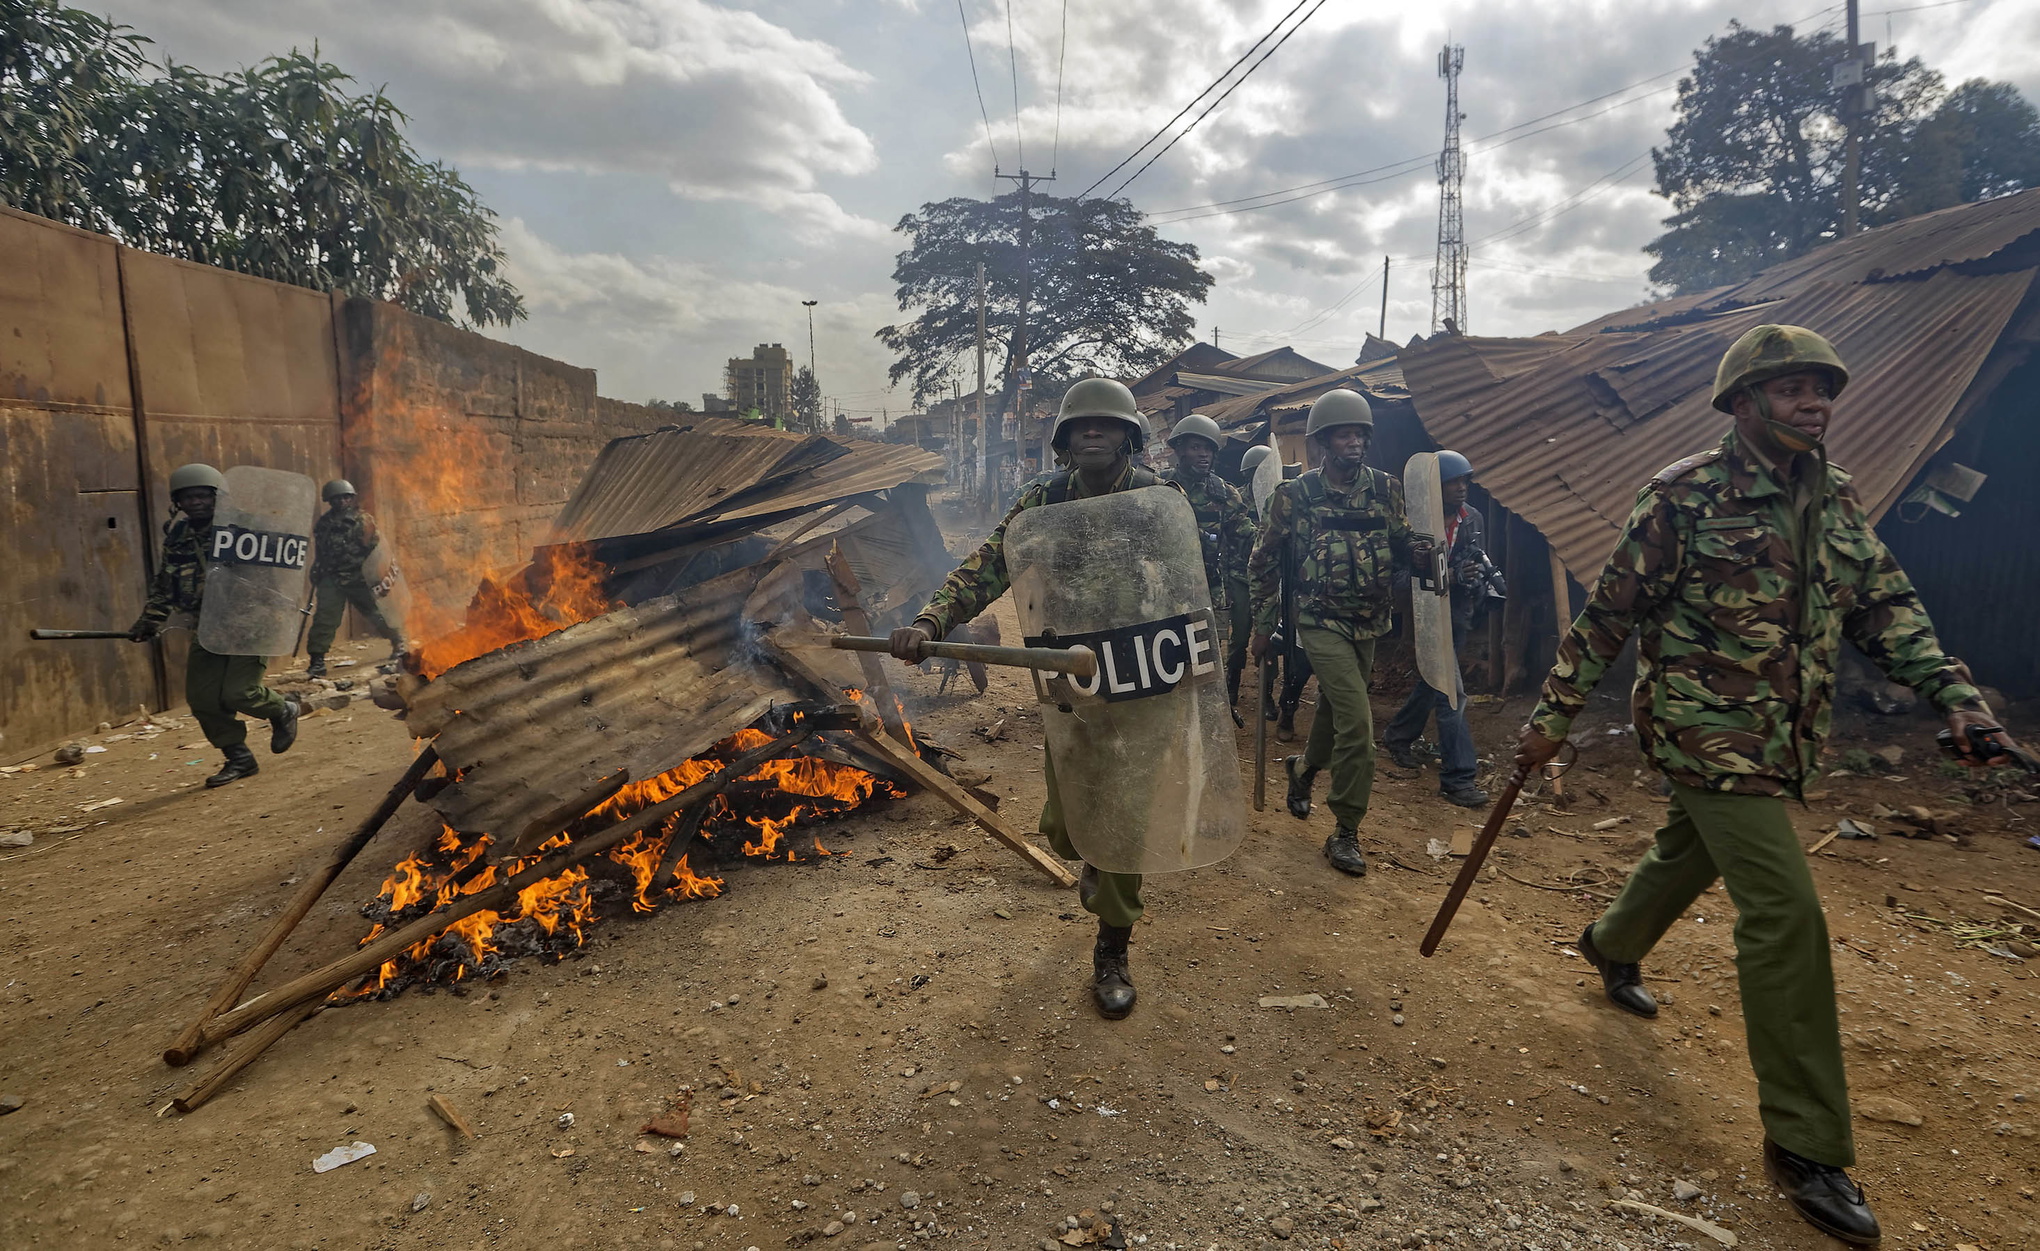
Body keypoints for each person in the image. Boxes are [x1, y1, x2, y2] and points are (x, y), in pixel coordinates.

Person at [1514, 325, 2020, 1246]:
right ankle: (1805, 1140)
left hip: (1784, 736)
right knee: (1786, 912)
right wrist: (1550, 721)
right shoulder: (1682, 495)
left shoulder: (1837, 495)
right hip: (1702, 731)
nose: (1813, 403)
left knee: (1690, 848)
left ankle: (1611, 939)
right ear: (1741, 403)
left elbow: (1883, 603)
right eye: (1790, 389)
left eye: (1821, 388)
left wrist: (1954, 695)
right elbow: (1606, 617)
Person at [889, 378, 1183, 1020]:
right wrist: (932, 621)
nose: (1095, 434)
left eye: (1107, 425)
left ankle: (1112, 948)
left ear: (1129, 434)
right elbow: (987, 566)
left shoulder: (1159, 499)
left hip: (1139, 669)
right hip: (1066, 675)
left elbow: (1191, 583)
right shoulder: (1040, 502)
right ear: (1065, 441)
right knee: (1070, 819)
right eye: (1083, 427)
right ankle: (1091, 859)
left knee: (1123, 815)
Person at [1246, 389, 1430, 877]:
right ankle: (1346, 830)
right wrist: (1263, 627)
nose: (1354, 441)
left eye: (1360, 433)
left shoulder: (1385, 488)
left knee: (1333, 709)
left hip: (1370, 621)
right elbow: (1262, 561)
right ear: (1324, 442)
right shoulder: (1295, 495)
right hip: (1318, 621)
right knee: (1358, 724)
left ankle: (1303, 770)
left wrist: (1422, 553)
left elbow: (1402, 537)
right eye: (1343, 433)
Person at [128, 463, 300, 788]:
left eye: (202, 496)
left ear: (217, 496)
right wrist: (149, 621)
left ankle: (283, 710)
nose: (195, 503)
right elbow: (166, 584)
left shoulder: (245, 526)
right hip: (209, 628)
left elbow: (274, 576)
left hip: (252, 623)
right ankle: (240, 758)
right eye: (187, 498)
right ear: (178, 502)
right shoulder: (178, 535)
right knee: (203, 699)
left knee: (240, 693)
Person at [1383, 450, 1502, 808]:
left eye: (1465, 480)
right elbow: (1396, 579)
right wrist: (1448, 575)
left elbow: (1476, 559)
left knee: (1433, 681)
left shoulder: (1473, 519)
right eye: (1453, 482)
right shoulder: (1411, 526)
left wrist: (1473, 579)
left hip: (1459, 615)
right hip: (1425, 616)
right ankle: (1458, 778)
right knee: (1452, 693)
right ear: (1435, 487)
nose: (1462, 488)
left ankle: (1399, 735)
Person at [1162, 414, 1257, 716]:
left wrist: (1275, 539)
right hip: (1167, 584)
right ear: (1179, 450)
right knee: (1170, 649)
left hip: (1210, 584)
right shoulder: (1160, 488)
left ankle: (1215, 703)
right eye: (1195, 447)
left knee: (1211, 648)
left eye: (1208, 449)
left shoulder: (1223, 493)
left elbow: (1244, 533)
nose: (1203, 454)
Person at [307, 479, 406, 678]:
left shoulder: (363, 521)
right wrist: (317, 568)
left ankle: (399, 644)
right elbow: (320, 550)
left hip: (359, 577)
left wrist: (377, 575)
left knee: (378, 613)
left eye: (346, 497)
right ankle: (317, 661)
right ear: (329, 500)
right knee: (324, 620)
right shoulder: (324, 524)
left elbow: (377, 550)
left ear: (351, 498)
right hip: (332, 578)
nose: (341, 501)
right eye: (336, 498)